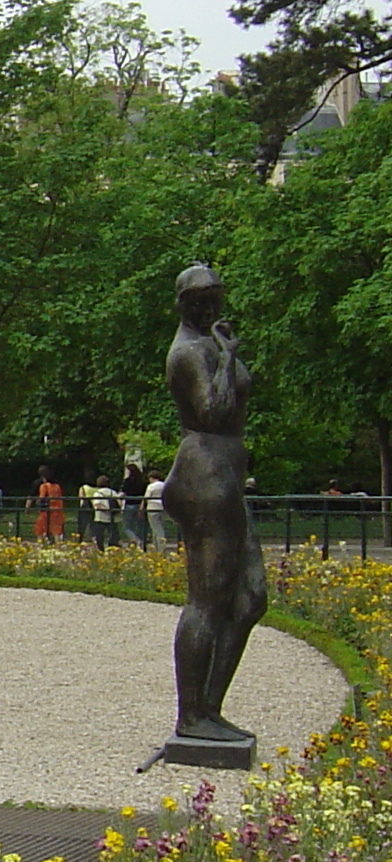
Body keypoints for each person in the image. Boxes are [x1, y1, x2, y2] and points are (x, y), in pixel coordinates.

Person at [163, 264, 267, 745]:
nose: (208, 307)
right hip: (204, 472)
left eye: (214, 298)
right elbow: (212, 412)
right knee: (207, 600)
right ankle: (191, 716)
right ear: (181, 303)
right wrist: (227, 357)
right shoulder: (188, 353)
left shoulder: (207, 344)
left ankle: (210, 708)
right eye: (198, 299)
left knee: (249, 600)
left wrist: (224, 353)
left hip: (226, 474)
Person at [30, 466, 64, 540]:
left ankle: (40, 545)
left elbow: (41, 498)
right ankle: (57, 547)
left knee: (40, 529)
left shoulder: (44, 486)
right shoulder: (57, 486)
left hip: (46, 511)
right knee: (56, 531)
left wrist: (37, 503)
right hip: (57, 510)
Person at [122, 462, 150, 547]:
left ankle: (135, 540)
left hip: (129, 504)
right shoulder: (143, 482)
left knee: (127, 526)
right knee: (140, 525)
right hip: (140, 504)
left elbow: (124, 492)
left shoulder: (127, 481)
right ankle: (141, 540)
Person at [146, 469, 171, 546]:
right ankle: (156, 547)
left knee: (156, 529)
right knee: (160, 526)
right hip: (162, 508)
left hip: (152, 508)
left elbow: (147, 497)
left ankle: (161, 546)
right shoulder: (164, 485)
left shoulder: (151, 486)